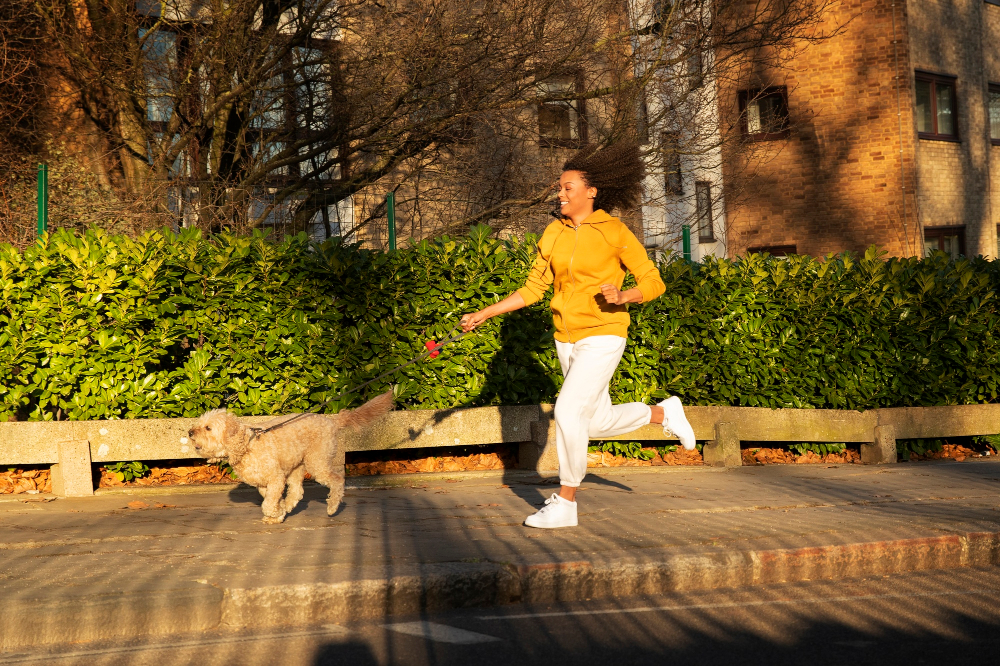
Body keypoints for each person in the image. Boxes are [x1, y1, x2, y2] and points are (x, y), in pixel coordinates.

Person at [460, 141, 695, 529]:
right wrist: (485, 313)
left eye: (568, 187)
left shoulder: (615, 232)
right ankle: (662, 412)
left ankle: (566, 502)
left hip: (604, 332)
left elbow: (654, 282)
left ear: (591, 192)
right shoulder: (553, 233)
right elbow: (534, 288)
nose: (560, 193)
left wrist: (624, 295)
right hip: (565, 338)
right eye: (560, 187)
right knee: (594, 422)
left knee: (567, 411)